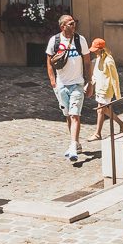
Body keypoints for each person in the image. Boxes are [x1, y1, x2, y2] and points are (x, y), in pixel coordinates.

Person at [46, 13, 92, 165]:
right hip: (61, 85)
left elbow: (87, 62)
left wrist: (89, 81)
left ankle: (72, 146)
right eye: (70, 23)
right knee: (68, 115)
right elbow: (49, 62)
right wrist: (53, 83)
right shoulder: (55, 40)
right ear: (62, 26)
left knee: (75, 115)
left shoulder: (80, 40)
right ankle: (76, 142)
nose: (74, 25)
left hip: (77, 84)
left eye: (74, 23)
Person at [88, 38, 123, 139]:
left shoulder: (109, 60)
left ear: (100, 49)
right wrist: (90, 84)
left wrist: (117, 94)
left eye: (95, 49)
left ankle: (97, 134)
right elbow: (96, 74)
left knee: (100, 110)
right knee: (104, 110)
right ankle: (122, 124)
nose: (94, 51)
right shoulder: (98, 59)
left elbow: (115, 78)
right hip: (99, 88)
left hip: (106, 89)